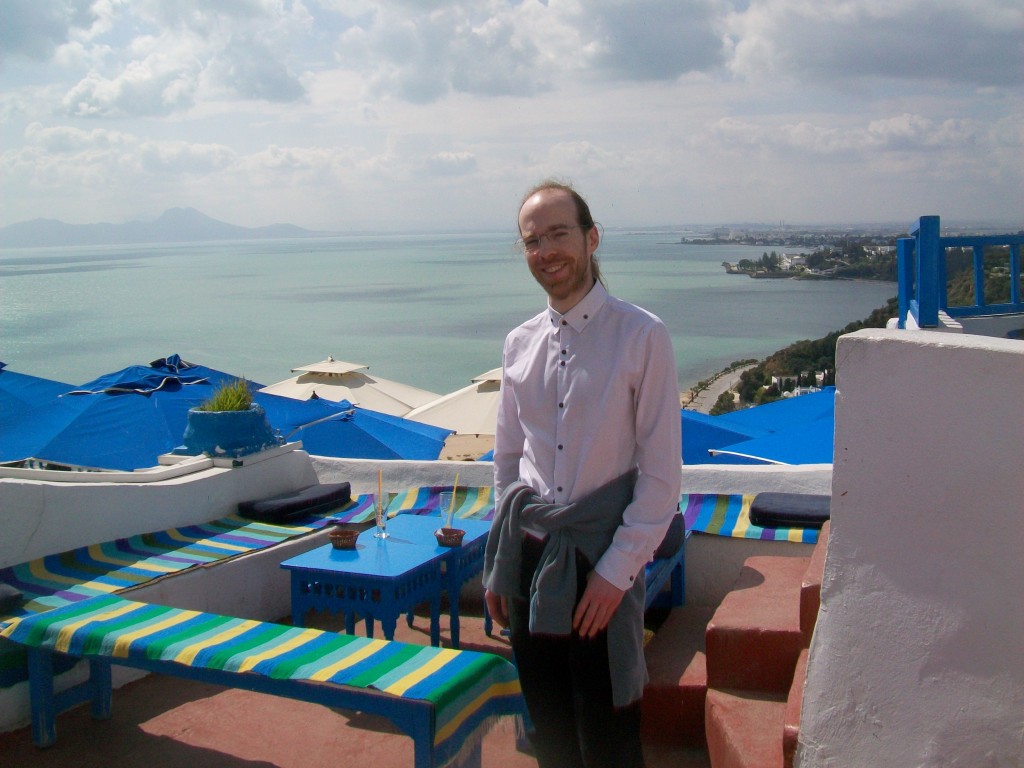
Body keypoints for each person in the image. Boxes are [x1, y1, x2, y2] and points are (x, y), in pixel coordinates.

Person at [482, 180, 682, 768]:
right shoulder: (519, 343)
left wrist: (615, 576)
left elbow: (662, 477)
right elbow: (506, 461)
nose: (545, 251)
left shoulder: (642, 335)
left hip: (601, 563)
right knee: (550, 733)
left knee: (609, 736)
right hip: (530, 562)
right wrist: (500, 563)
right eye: (532, 240)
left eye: (559, 234)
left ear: (592, 238)